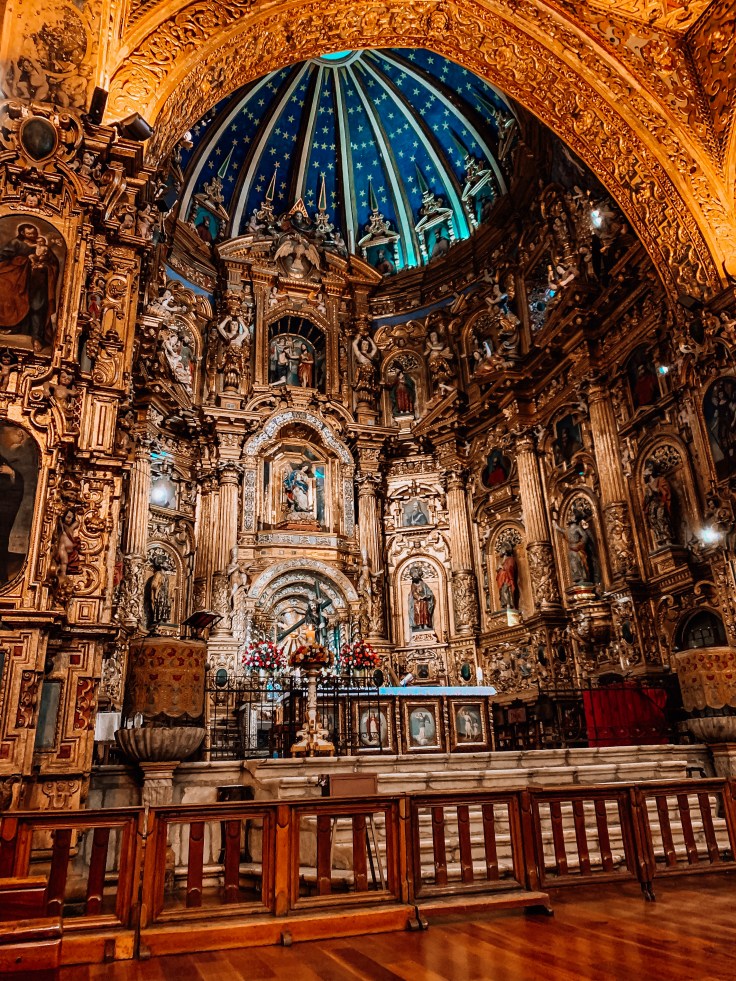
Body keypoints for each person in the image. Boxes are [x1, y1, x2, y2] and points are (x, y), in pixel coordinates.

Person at [0, 222, 60, 351]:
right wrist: (21, 262)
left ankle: (37, 338)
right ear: (22, 233)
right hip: (18, 280)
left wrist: (44, 266)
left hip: (37, 283)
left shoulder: (44, 247)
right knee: (12, 299)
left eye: (34, 233)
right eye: (29, 234)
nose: (33, 236)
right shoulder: (15, 243)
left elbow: (53, 264)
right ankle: (12, 327)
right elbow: (3, 258)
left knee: (37, 307)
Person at [643, 459, 675, 545]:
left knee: (661, 518)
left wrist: (654, 489)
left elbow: (665, 491)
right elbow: (646, 499)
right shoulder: (647, 485)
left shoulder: (660, 479)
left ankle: (667, 538)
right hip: (652, 506)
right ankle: (660, 539)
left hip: (660, 503)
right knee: (653, 520)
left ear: (650, 471)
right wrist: (648, 496)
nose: (644, 473)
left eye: (646, 469)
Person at [408, 566, 435, 631]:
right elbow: (414, 592)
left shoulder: (423, 584)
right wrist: (419, 597)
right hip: (417, 602)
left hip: (424, 602)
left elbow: (429, 591)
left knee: (425, 613)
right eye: (413, 575)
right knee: (418, 613)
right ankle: (419, 626)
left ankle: (425, 625)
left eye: (416, 574)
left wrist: (428, 595)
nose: (415, 576)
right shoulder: (413, 585)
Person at [496, 545, 518, 609]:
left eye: (501, 550)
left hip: (507, 579)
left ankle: (509, 604)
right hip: (502, 580)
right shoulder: (503, 561)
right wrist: (499, 569)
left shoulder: (510, 559)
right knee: (503, 592)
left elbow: (510, 568)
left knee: (506, 591)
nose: (500, 551)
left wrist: (503, 568)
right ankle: (505, 605)